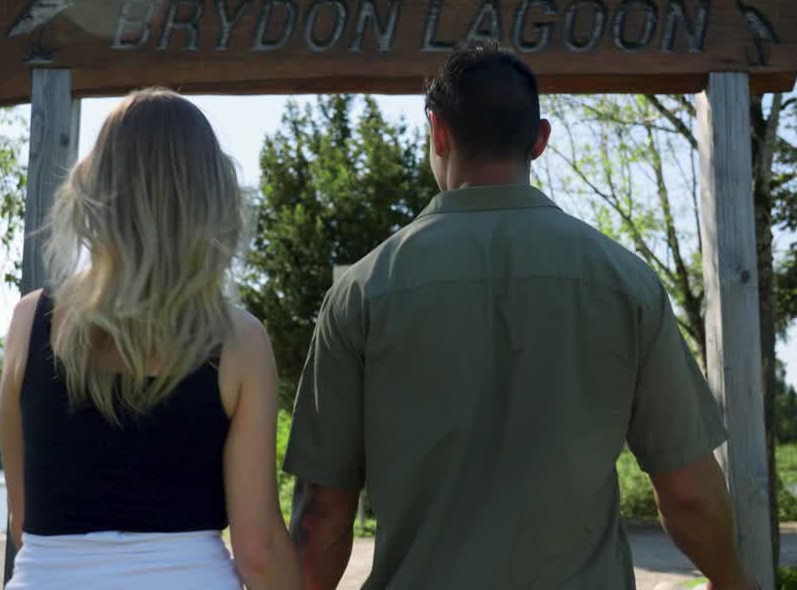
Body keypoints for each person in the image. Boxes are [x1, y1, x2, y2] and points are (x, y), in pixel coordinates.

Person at [283, 42, 760, 590]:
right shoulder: (626, 283)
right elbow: (689, 493)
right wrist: (733, 582)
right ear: (539, 140)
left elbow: (322, 518)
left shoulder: (362, 292)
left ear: (437, 132)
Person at [0, 88, 300, 590]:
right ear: (212, 196)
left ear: (96, 187)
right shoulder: (239, 341)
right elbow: (259, 551)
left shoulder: (29, 321)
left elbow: (23, 520)